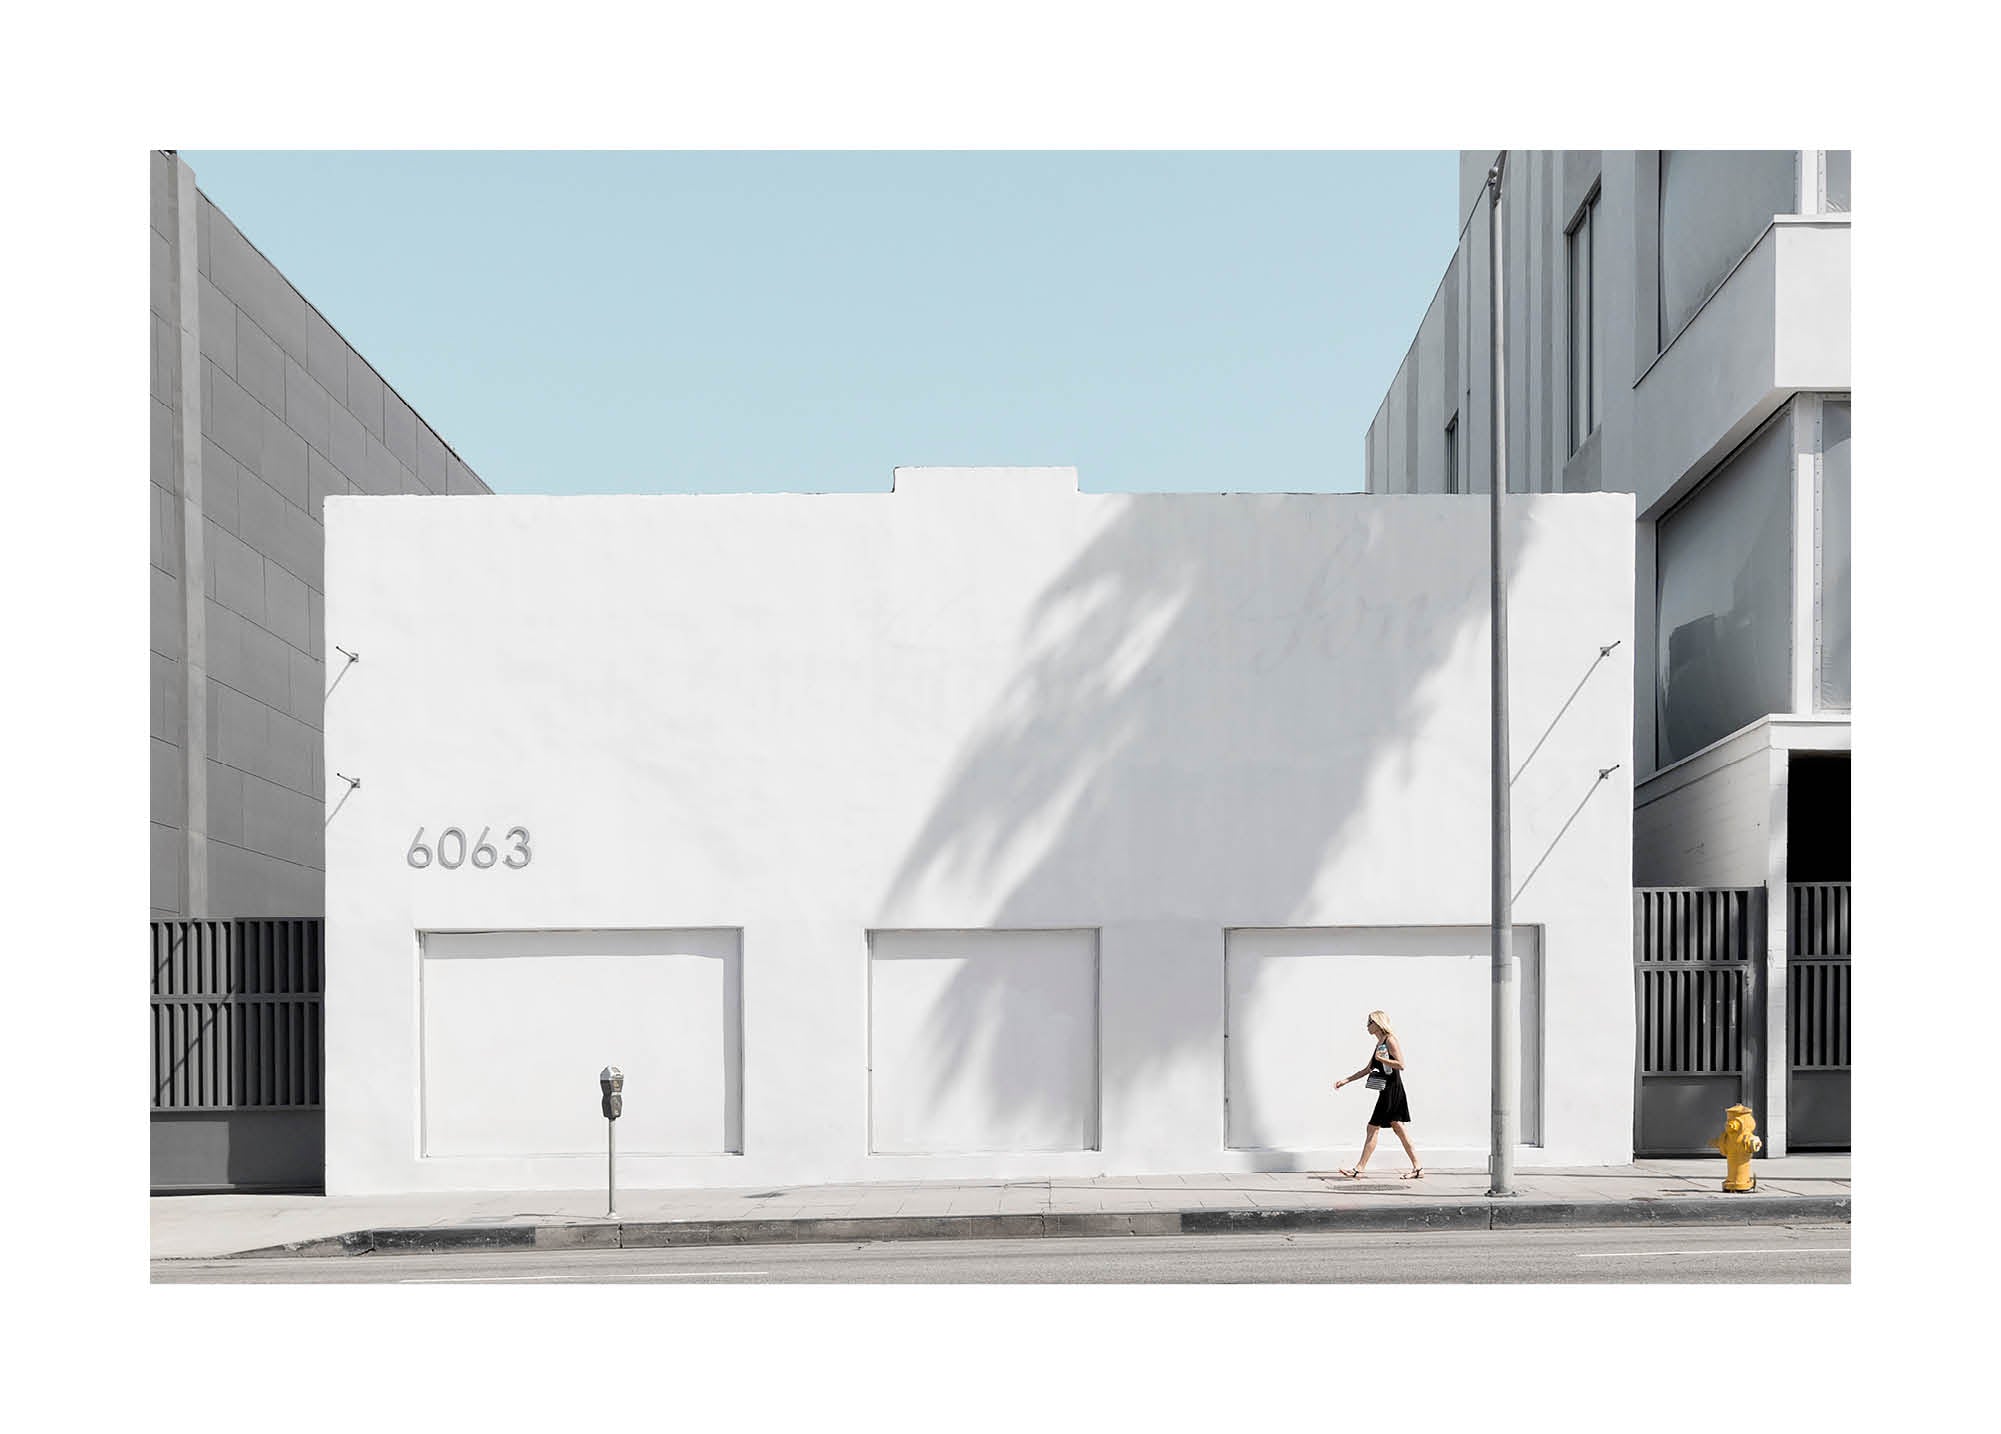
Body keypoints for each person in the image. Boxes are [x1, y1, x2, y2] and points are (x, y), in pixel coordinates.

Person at [1331, 1010, 1422, 1179]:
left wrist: (1382, 1060)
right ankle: (1418, 1168)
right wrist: (1346, 1080)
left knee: (1373, 1128)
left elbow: (1401, 1064)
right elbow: (1367, 1069)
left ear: (1378, 1024)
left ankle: (1359, 1169)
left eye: (1369, 1023)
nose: (1367, 1026)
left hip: (1392, 1090)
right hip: (1386, 1091)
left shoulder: (1390, 1040)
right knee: (1398, 1129)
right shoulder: (1380, 1043)